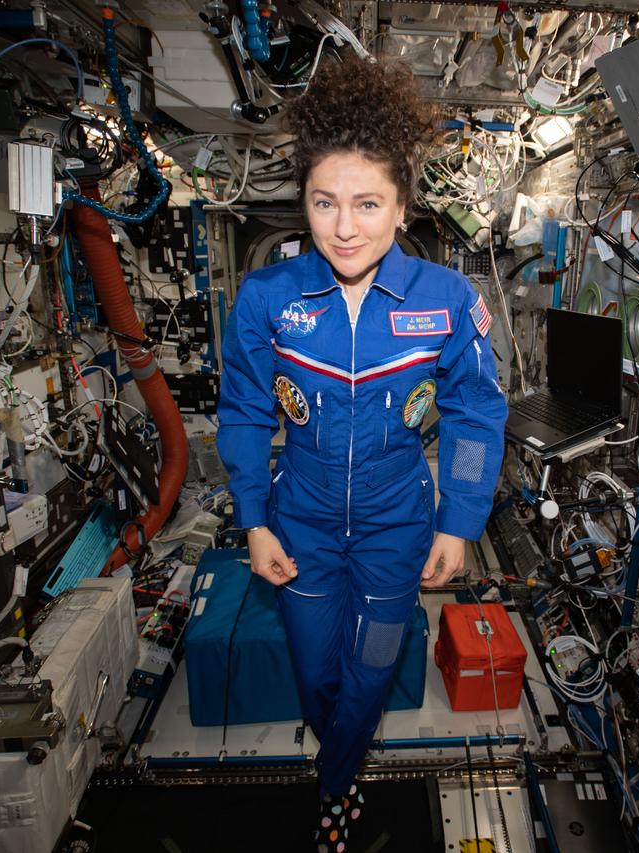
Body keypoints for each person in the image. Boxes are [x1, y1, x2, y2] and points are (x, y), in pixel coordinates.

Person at [216, 56, 508, 852]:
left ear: (403, 206)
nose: (345, 227)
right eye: (325, 202)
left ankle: (337, 779)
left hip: (395, 527)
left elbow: (476, 416)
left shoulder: (447, 302)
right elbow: (243, 411)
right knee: (316, 673)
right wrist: (253, 520)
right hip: (300, 521)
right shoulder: (269, 299)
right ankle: (338, 757)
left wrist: (459, 524)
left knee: (373, 668)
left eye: (368, 203)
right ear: (304, 200)